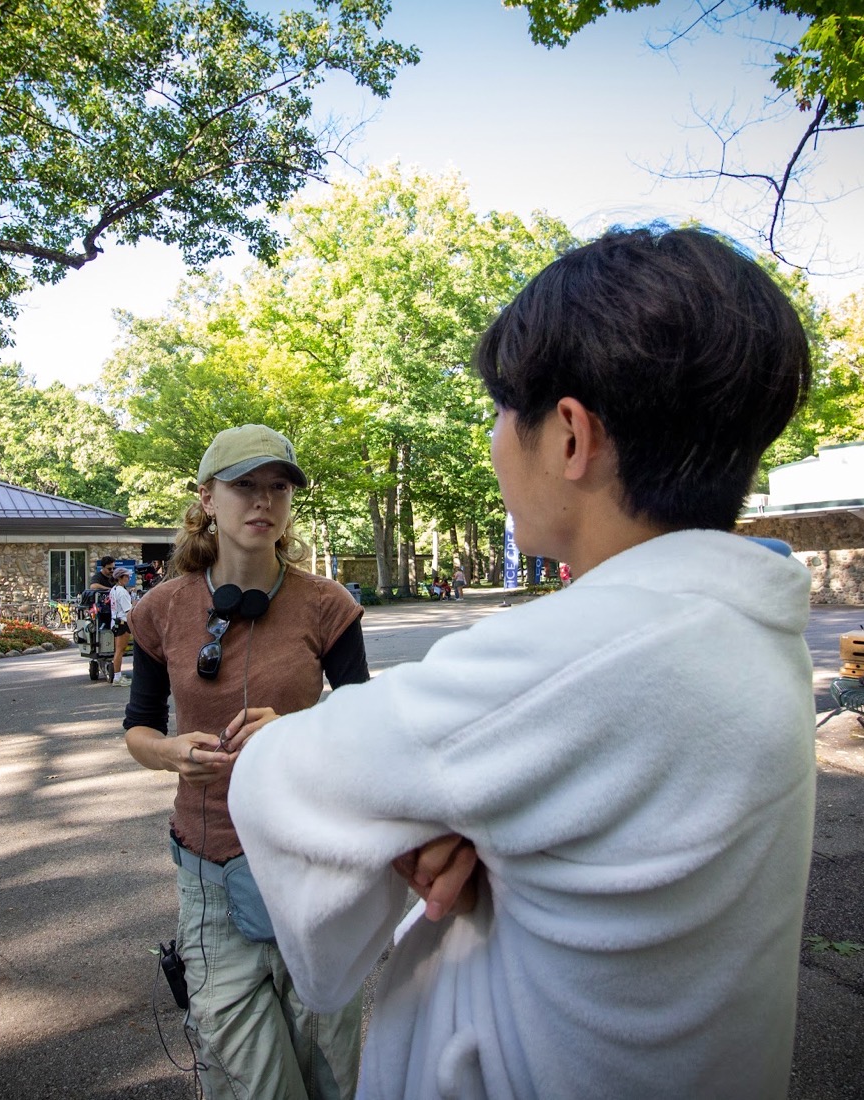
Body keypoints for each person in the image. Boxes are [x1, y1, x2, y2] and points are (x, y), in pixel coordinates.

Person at [230, 226, 817, 1099]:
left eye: (504, 412)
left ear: (571, 436)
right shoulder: (746, 622)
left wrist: (417, 819)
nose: (498, 443)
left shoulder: (571, 657)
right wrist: (470, 824)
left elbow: (280, 782)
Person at [122, 424, 370, 1099]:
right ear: (206, 497)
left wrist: (295, 733)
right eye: (245, 487)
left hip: (313, 870)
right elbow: (139, 730)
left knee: (330, 1075)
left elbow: (370, 732)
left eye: (279, 488)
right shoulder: (161, 611)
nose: (264, 502)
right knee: (250, 1082)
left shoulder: (329, 606)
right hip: (210, 875)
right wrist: (172, 752)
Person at [107, 566, 134, 686]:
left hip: (115, 622)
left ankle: (117, 675)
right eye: (126, 576)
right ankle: (117, 677)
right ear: (120, 578)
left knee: (118, 650)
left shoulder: (114, 590)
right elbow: (128, 610)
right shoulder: (122, 592)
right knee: (120, 650)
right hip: (122, 623)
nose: (128, 578)